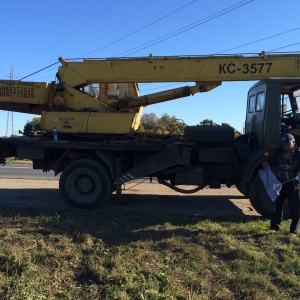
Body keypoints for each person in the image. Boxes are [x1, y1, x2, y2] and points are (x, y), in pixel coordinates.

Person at [262, 133, 300, 234]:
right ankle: (274, 226)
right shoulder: (279, 151)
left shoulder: (298, 153)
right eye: (283, 144)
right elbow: (272, 159)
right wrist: (267, 162)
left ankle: (293, 229)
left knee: (295, 207)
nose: (285, 146)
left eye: (287, 144)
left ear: (294, 142)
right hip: (280, 183)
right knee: (277, 205)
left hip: (294, 184)